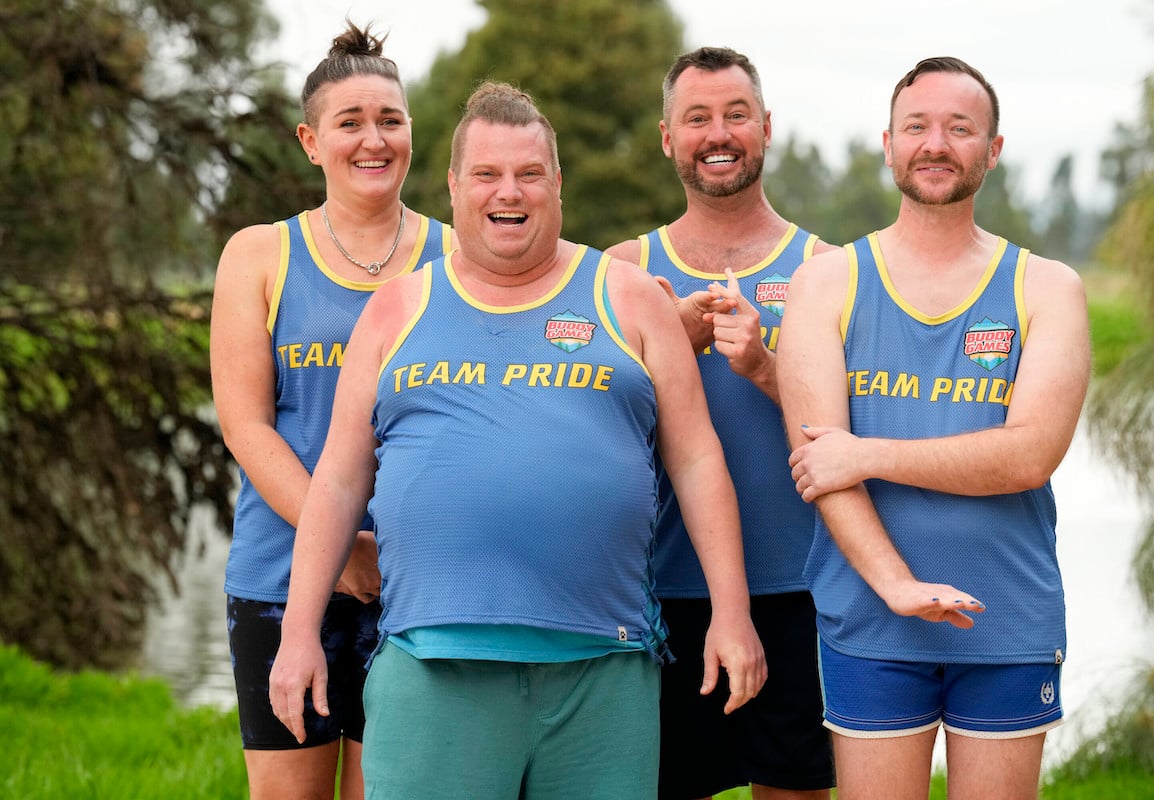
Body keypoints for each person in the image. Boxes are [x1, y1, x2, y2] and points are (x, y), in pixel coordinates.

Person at [266, 81, 766, 799]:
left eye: (530, 174)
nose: (511, 192)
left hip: (605, 671)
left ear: (557, 183)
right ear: (454, 185)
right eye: (489, 175)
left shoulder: (627, 297)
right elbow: (341, 483)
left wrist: (732, 613)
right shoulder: (397, 309)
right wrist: (297, 633)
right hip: (432, 669)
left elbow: (696, 461)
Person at [776, 57, 1091, 800]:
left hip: (1005, 614)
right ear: (888, 144)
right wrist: (896, 584)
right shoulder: (827, 283)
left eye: (960, 128)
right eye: (917, 126)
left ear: (994, 148)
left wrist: (869, 452)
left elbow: (1028, 456)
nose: (936, 143)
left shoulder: (1047, 288)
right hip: (870, 614)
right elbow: (822, 469)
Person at [209, 21, 454, 800]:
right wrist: (341, 543)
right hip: (281, 578)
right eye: (350, 123)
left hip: (423, 585)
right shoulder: (259, 254)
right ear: (312, 141)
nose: (373, 139)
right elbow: (247, 424)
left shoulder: (459, 258)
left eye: (390, 120)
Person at [607, 46, 835, 800]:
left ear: (766, 128)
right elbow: (585, 436)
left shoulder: (827, 270)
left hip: (805, 592)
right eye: (697, 118)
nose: (719, 134)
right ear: (668, 137)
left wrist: (769, 369)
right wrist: (660, 352)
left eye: (737, 115)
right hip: (659, 593)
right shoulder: (624, 274)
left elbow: (856, 434)